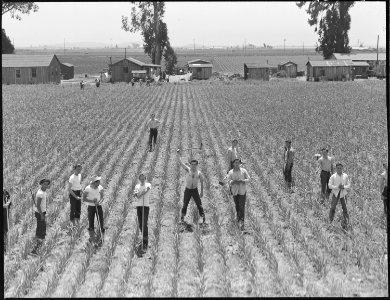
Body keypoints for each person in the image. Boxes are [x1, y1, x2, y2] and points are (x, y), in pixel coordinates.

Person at [177, 149, 205, 224]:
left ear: (197, 165)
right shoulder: (188, 170)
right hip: (188, 190)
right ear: (190, 165)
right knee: (185, 204)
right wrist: (179, 154)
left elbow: (202, 182)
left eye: (195, 164)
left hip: (195, 190)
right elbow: (181, 163)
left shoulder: (199, 173)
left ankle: (203, 217)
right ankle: (182, 217)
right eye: (192, 164)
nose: (193, 166)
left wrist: (201, 192)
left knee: (199, 204)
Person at [227, 158, 250, 231]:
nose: (237, 164)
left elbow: (249, 179)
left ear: (240, 164)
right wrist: (232, 182)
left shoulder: (244, 171)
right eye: (235, 163)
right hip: (235, 192)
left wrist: (243, 181)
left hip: (242, 191)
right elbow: (228, 180)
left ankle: (242, 223)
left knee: (241, 206)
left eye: (238, 163)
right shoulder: (230, 172)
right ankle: (238, 219)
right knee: (237, 206)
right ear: (233, 164)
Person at [31, 179, 51, 256]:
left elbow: (37, 204)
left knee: (40, 227)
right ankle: (36, 249)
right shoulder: (40, 193)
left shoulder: (42, 192)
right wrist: (42, 215)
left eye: (47, 184)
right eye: (45, 184)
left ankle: (37, 243)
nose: (46, 185)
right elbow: (38, 205)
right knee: (42, 228)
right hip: (40, 213)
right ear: (41, 184)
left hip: (40, 212)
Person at [328, 163, 351, 230]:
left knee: (345, 208)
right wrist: (337, 187)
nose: (339, 169)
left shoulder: (345, 176)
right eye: (338, 168)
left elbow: (349, 185)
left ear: (342, 168)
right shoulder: (333, 176)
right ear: (336, 168)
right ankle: (330, 222)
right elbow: (329, 185)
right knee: (332, 208)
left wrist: (344, 187)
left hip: (343, 194)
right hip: (336, 193)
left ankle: (346, 222)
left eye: (340, 168)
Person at [83, 175, 105, 243]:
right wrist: (92, 201)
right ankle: (91, 233)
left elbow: (102, 197)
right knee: (91, 219)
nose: (99, 182)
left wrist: (99, 202)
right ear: (95, 182)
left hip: (98, 206)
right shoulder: (88, 188)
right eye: (98, 181)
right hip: (91, 207)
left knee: (100, 218)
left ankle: (101, 229)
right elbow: (84, 199)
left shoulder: (100, 187)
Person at [133, 174, 152, 251]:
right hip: (139, 206)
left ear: (145, 178)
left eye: (143, 178)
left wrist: (140, 194)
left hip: (145, 206)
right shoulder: (137, 186)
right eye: (141, 179)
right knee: (141, 224)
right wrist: (140, 194)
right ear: (139, 179)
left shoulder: (148, 184)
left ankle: (145, 241)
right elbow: (136, 195)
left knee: (144, 223)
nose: (142, 180)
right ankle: (143, 237)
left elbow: (146, 189)